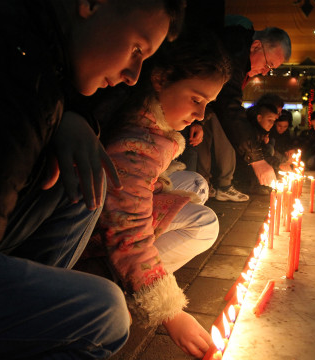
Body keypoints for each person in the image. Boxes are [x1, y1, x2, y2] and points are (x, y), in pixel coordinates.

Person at [0, 0, 185, 358]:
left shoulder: (31, 52)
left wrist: (67, 119)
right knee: (104, 313)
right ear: (91, 4)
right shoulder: (7, 75)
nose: (133, 75)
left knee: (84, 182)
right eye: (137, 48)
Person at [86, 29, 231, 358]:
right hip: (101, 233)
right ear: (162, 78)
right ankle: (128, 287)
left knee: (195, 184)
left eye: (207, 104)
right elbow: (128, 229)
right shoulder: (139, 141)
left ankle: (137, 277)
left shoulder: (149, 119)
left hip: (121, 201)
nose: (200, 114)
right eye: (196, 99)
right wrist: (171, 313)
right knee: (205, 223)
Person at [211, 24, 292, 188]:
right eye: (268, 64)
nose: (264, 72)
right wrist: (257, 160)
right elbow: (228, 103)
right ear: (256, 46)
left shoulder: (240, 54)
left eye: (270, 69)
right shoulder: (234, 52)